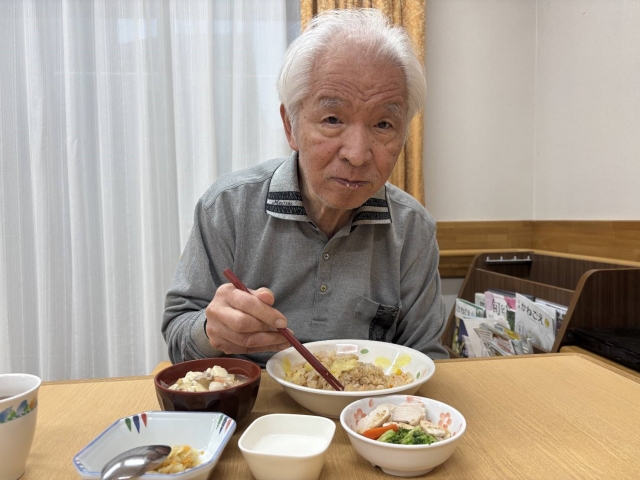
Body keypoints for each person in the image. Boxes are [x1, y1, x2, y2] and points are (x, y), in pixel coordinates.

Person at [163, 8, 449, 367]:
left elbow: (425, 358)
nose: (357, 154)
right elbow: (178, 340)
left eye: (383, 124)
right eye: (333, 119)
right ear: (291, 126)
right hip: (255, 400)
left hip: (370, 401)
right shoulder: (227, 208)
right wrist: (211, 331)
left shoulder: (412, 230)